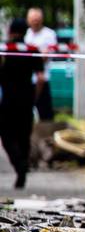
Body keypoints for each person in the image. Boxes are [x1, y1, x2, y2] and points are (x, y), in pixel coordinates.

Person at [0, 18, 42, 188]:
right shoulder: (32, 50)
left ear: (10, 31)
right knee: (24, 136)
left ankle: (19, 165)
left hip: (7, 100)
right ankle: (22, 167)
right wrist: (35, 97)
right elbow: (40, 78)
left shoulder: (4, 50)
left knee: (6, 135)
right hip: (27, 98)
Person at [23, 7, 57, 122]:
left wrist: (31, 61)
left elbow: (47, 57)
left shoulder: (49, 34)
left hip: (42, 79)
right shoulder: (26, 34)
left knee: (45, 115)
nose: (35, 22)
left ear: (42, 19)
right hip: (27, 81)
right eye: (32, 19)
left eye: (37, 19)